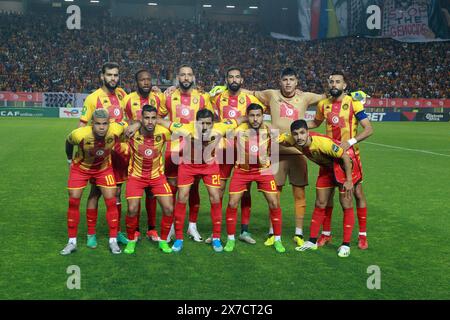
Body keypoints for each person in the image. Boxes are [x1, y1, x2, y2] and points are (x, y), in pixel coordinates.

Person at [246, 67, 326, 248]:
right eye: (285, 80)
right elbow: (248, 92)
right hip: (275, 152)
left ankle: (298, 233)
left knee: (299, 192)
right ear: (280, 81)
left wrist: (315, 123)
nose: (288, 83)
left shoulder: (305, 97)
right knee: (274, 195)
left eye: (291, 79)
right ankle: (273, 232)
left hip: (298, 153)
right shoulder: (271, 94)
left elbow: (326, 96)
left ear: (297, 82)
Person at [157, 109, 244, 253]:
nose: (204, 127)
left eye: (208, 124)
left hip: (209, 166)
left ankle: (216, 237)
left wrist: (249, 119)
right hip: (188, 165)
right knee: (182, 196)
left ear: (213, 123)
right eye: (201, 124)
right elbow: (164, 122)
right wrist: (136, 125)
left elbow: (239, 120)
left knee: (215, 197)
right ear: (195, 122)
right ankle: (179, 238)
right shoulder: (185, 128)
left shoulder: (220, 127)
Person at [307, 72, 373, 250]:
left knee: (356, 195)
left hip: (350, 158)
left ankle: (362, 235)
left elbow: (368, 129)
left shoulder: (353, 103)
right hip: (328, 158)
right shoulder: (323, 105)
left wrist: (350, 142)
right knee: (325, 198)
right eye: (331, 82)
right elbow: (315, 123)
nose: (334, 84)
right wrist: (298, 123)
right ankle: (326, 234)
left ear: (344, 85)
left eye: (338, 82)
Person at [279, 119, 362, 258]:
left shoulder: (322, 143)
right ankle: (312, 241)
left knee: (346, 203)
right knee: (320, 203)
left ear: (307, 132)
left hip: (343, 166)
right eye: (295, 134)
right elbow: (279, 139)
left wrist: (348, 180)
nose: (299, 137)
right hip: (326, 169)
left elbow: (345, 157)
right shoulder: (292, 139)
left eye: (302, 133)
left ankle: (346, 245)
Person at [61, 109, 136, 255]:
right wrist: (69, 159)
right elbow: (68, 142)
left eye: (105, 124)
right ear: (91, 124)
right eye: (98, 124)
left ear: (109, 123)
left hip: (103, 169)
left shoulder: (115, 128)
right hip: (80, 168)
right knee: (74, 201)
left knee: (111, 200)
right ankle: (72, 242)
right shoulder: (80, 134)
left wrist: (134, 126)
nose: (101, 127)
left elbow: (132, 123)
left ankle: (113, 241)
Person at [158, 64, 214, 242]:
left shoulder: (202, 98)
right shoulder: (168, 97)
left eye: (189, 74)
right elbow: (157, 117)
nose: (186, 78)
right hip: (173, 148)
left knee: (194, 189)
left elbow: (211, 121)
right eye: (182, 75)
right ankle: (173, 226)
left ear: (193, 77)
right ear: (177, 77)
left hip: (196, 149)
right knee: (173, 188)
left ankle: (192, 226)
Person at [210, 66, 265, 245]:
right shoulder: (217, 98)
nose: (234, 80)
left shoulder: (250, 99)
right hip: (224, 150)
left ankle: (244, 231)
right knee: (219, 190)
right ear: (226, 79)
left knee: (245, 191)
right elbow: (215, 122)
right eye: (231, 77)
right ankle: (216, 232)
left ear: (242, 80)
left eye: (237, 77)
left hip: (245, 151)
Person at [77, 62, 129, 248]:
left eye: (115, 75)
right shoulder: (93, 98)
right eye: (109, 75)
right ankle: (91, 234)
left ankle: (117, 231)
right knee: (95, 193)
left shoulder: (122, 94)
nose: (113, 78)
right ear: (102, 76)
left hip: (120, 152)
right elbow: (82, 127)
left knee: (117, 193)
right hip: (101, 154)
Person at [224, 104, 286, 253]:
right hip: (242, 171)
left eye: (258, 115)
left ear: (263, 116)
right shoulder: (239, 130)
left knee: (274, 202)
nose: (255, 119)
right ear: (247, 116)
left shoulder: (270, 130)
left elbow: (285, 139)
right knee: (232, 203)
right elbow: (223, 131)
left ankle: (277, 239)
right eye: (252, 115)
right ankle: (230, 239)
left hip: (263, 171)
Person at [122, 105, 174, 254]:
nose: (150, 122)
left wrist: (160, 121)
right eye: (146, 118)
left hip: (157, 177)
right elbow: (116, 126)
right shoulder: (132, 134)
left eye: (153, 118)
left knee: (169, 208)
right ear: (141, 118)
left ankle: (163, 241)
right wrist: (136, 124)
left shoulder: (163, 133)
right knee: (132, 209)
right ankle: (131, 240)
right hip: (136, 177)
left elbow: (181, 129)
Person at [123, 69, 166, 242]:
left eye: (148, 79)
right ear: (137, 82)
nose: (146, 82)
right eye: (142, 80)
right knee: (137, 189)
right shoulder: (127, 99)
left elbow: (161, 118)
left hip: (154, 145)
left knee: (151, 192)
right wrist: (132, 126)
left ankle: (152, 228)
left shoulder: (157, 97)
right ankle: (136, 229)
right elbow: (122, 120)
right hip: (134, 148)